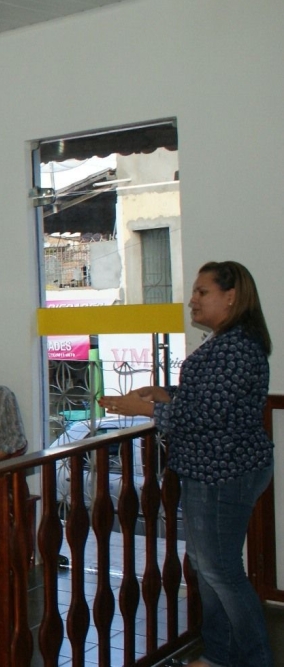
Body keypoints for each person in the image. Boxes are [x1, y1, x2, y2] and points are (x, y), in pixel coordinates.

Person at [100, 261, 273, 667]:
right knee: (207, 568)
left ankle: (255, 659)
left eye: (202, 292)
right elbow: (209, 398)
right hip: (210, 470)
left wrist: (146, 409)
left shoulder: (236, 346)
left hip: (223, 473)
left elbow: (209, 414)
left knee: (222, 573)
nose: (192, 300)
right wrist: (166, 394)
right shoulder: (226, 342)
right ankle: (218, 656)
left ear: (231, 297)